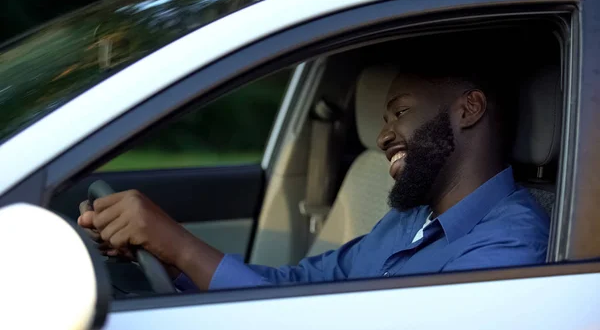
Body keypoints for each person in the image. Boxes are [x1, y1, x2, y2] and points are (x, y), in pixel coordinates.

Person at [78, 64, 549, 292]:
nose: (383, 135)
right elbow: (299, 285)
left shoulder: (510, 245)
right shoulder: (408, 222)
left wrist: (179, 244)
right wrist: (172, 259)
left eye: (400, 112)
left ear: (469, 109)